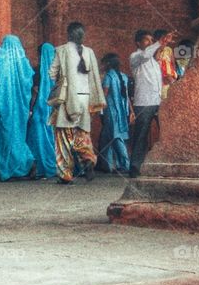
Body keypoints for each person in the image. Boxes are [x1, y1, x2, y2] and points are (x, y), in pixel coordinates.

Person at [48, 22, 106, 184]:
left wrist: (59, 78)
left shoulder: (61, 50)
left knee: (63, 137)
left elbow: (52, 73)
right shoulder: (89, 52)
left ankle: (65, 174)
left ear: (68, 34)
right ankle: (87, 158)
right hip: (85, 98)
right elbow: (94, 77)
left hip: (69, 99)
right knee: (82, 134)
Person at [129, 28, 178, 176]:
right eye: (146, 40)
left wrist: (163, 42)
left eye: (151, 40)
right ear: (138, 43)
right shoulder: (136, 57)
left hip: (158, 100)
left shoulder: (154, 61)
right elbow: (145, 54)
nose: (150, 43)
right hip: (144, 102)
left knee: (165, 132)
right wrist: (158, 43)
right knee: (141, 135)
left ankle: (164, 166)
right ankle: (135, 168)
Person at [0, 34, 35, 180]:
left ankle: (12, 168)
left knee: (5, 137)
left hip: (5, 107)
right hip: (21, 109)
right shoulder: (24, 62)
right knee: (18, 137)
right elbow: (29, 83)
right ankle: (22, 166)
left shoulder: (2, 61)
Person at [26, 42, 57, 179]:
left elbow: (34, 93)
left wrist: (30, 109)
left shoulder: (38, 71)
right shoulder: (58, 72)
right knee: (53, 139)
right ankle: (55, 166)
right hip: (55, 110)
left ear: (40, 55)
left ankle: (40, 168)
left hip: (40, 110)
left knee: (38, 139)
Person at [98, 53, 132, 173]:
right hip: (122, 111)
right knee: (105, 138)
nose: (101, 65)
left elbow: (104, 94)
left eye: (102, 63)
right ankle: (106, 164)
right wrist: (131, 111)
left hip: (111, 112)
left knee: (116, 137)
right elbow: (126, 96)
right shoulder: (123, 76)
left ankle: (125, 164)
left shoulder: (108, 77)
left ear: (107, 64)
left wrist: (96, 108)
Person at [154, 29, 178, 98]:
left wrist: (174, 72)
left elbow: (173, 63)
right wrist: (159, 49)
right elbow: (155, 59)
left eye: (166, 40)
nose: (165, 42)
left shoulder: (168, 49)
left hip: (169, 75)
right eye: (163, 40)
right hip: (159, 77)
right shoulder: (154, 50)